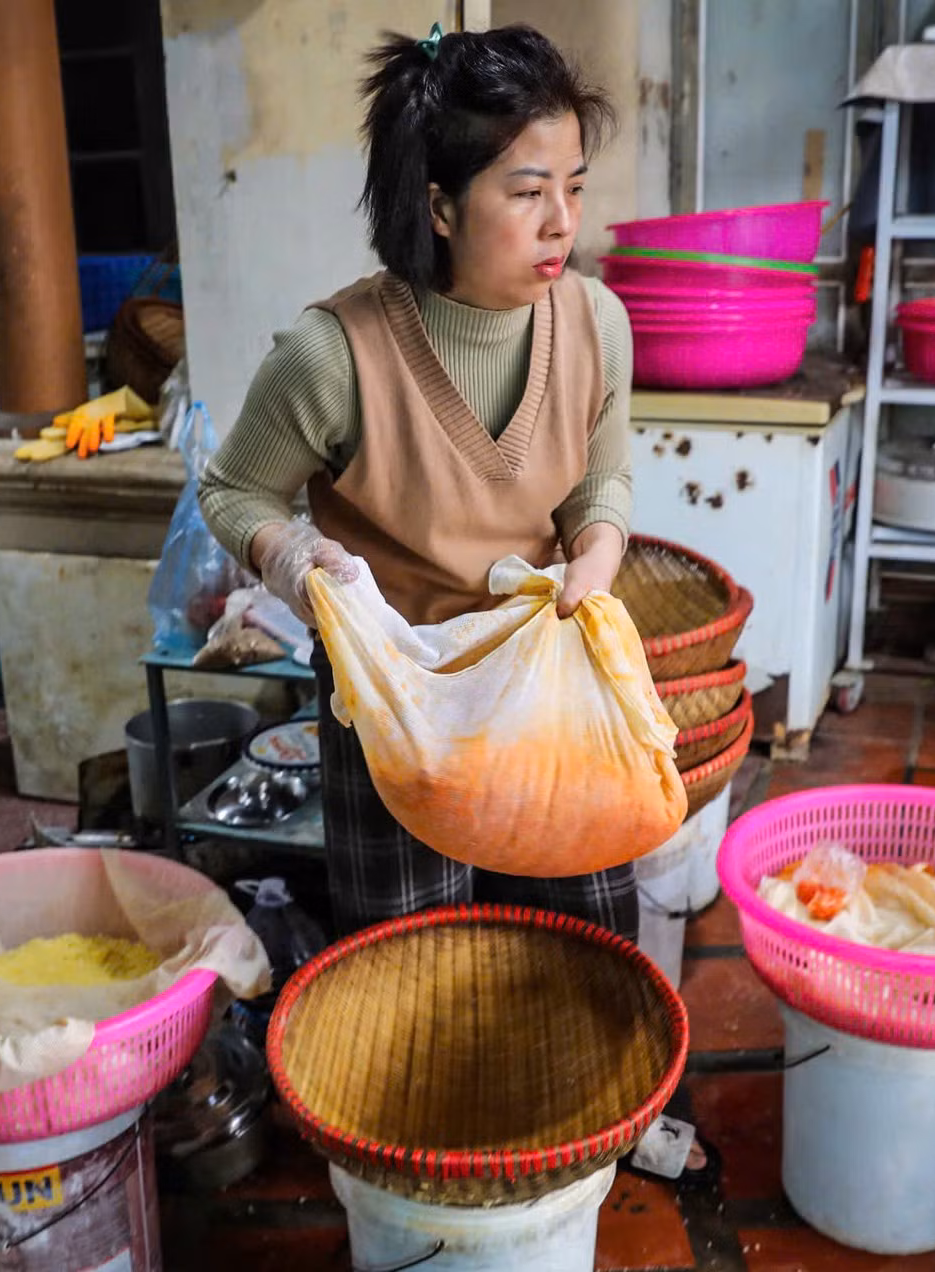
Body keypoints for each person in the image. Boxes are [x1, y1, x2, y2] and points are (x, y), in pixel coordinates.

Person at [199, 22, 637, 940]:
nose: (563, 220)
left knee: (578, 939)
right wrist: (296, 559)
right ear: (440, 208)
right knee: (410, 956)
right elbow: (234, 492)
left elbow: (598, 488)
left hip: (538, 677)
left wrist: (591, 568)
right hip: (390, 697)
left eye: (574, 187)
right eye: (527, 192)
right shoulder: (333, 356)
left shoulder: (596, 323)